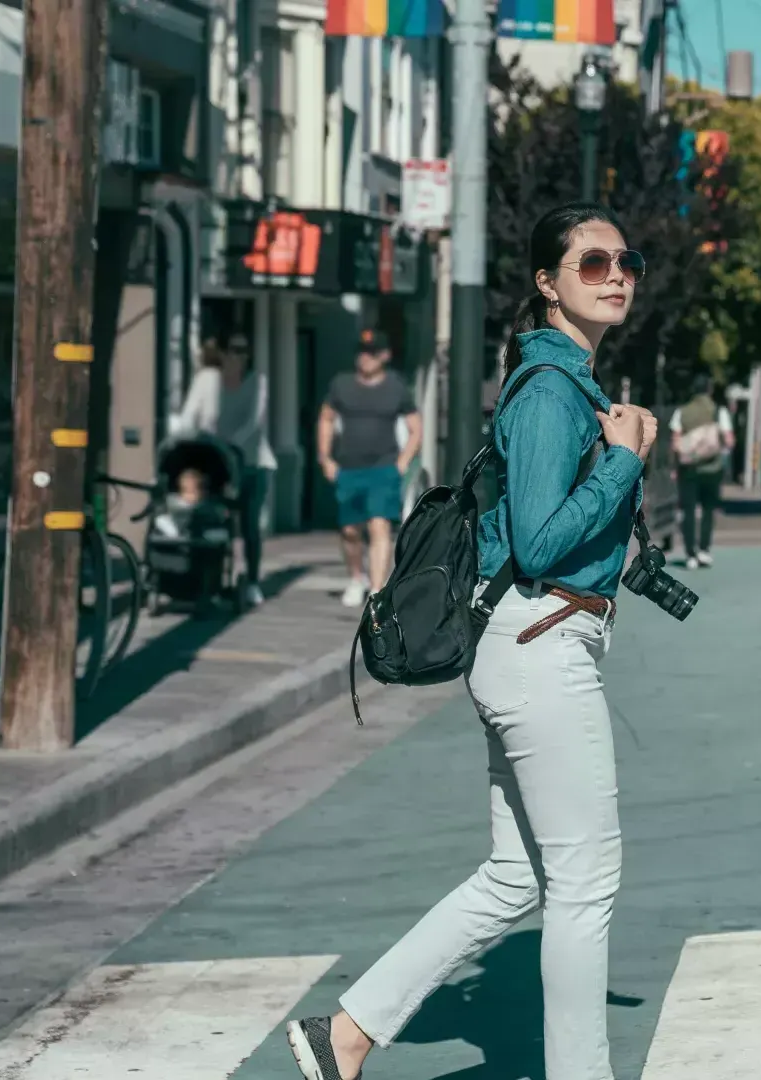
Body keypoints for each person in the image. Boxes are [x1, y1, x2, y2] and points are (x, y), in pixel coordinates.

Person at [286, 202, 656, 1080]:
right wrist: (624, 463)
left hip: (534, 647)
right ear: (548, 283)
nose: (615, 278)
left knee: (518, 877)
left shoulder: (571, 386)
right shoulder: (550, 392)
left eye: (626, 263)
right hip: (542, 647)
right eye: (592, 263)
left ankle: (345, 1035)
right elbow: (539, 540)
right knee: (585, 881)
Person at [317, 328, 422, 608]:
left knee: (379, 526)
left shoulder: (396, 387)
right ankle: (356, 577)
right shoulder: (342, 385)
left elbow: (415, 428)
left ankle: (376, 589)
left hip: (383, 469)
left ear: (384, 356)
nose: (365, 358)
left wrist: (401, 464)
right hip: (348, 468)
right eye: (362, 352)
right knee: (350, 530)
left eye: (372, 353)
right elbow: (326, 419)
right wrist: (325, 458)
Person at [170, 332, 276, 605]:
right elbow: (189, 415)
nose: (237, 356)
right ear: (223, 353)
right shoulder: (207, 379)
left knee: (249, 524)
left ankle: (251, 580)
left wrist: (228, 444)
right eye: (232, 350)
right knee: (211, 519)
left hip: (251, 462)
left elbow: (253, 422)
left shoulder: (257, 382)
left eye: (243, 351)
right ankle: (208, 579)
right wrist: (182, 440)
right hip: (215, 460)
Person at [668, 373, 735, 568]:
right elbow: (729, 440)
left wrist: (675, 466)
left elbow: (675, 442)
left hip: (688, 468)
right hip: (712, 468)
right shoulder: (718, 411)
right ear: (709, 390)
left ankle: (690, 554)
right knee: (708, 509)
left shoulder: (682, 412)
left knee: (688, 510)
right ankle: (704, 550)